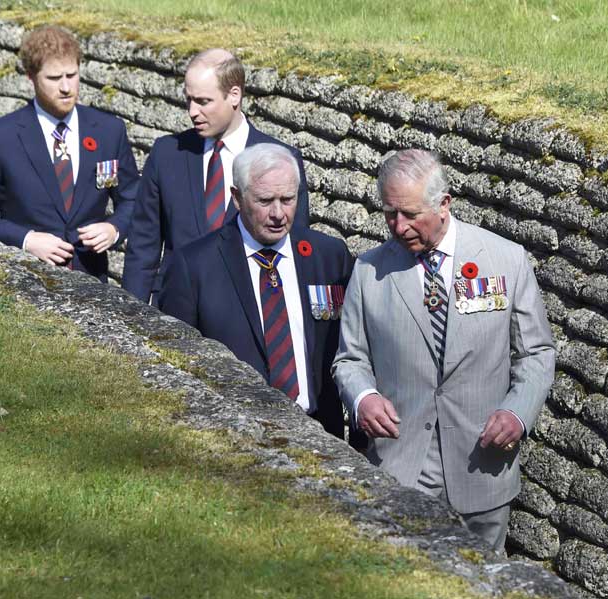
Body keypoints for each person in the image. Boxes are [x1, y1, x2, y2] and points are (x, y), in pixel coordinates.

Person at [332, 149, 556, 552]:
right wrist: (363, 397)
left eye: (411, 214)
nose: (398, 227)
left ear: (444, 204)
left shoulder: (505, 260)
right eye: (389, 213)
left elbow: (536, 353)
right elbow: (350, 359)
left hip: (481, 467)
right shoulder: (368, 271)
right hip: (400, 466)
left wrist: (517, 413)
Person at [158, 143, 349, 439]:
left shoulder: (328, 256)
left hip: (321, 433)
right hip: (233, 438)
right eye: (264, 201)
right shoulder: (194, 265)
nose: (278, 213)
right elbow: (175, 363)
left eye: (287, 199)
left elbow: (354, 349)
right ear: (237, 198)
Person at [122, 48, 310, 304]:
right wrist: (132, 316)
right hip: (174, 311)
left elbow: (293, 247)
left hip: (247, 313)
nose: (192, 112)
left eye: (203, 101)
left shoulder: (282, 160)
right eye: (188, 100)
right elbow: (143, 246)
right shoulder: (167, 154)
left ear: (234, 95)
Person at [0, 26, 138, 281]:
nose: (65, 87)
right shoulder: (0, 137)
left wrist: (114, 228)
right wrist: (25, 240)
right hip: (23, 282)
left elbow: (133, 199)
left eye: (72, 75)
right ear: (31, 77)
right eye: (53, 78)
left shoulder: (109, 130)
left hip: (93, 282)